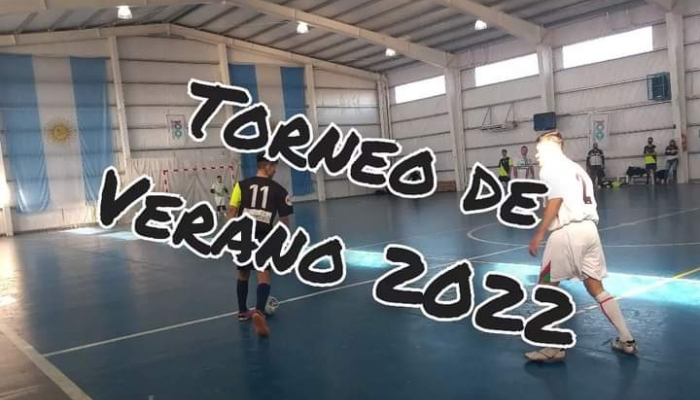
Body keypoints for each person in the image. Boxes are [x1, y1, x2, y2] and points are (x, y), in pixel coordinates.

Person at [525, 130, 637, 362]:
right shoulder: (577, 169)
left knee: (546, 287)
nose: (537, 155)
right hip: (590, 231)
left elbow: (555, 201)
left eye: (539, 150)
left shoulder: (551, 168)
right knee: (596, 287)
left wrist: (539, 233)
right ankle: (627, 339)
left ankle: (553, 347)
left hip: (566, 233)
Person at [227, 154, 294, 337]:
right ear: (268, 166)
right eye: (274, 167)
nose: (275, 171)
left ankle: (242, 311)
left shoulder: (240, 186)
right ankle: (259, 312)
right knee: (263, 275)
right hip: (264, 236)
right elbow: (284, 221)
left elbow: (231, 211)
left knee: (243, 273)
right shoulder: (279, 190)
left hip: (244, 235)